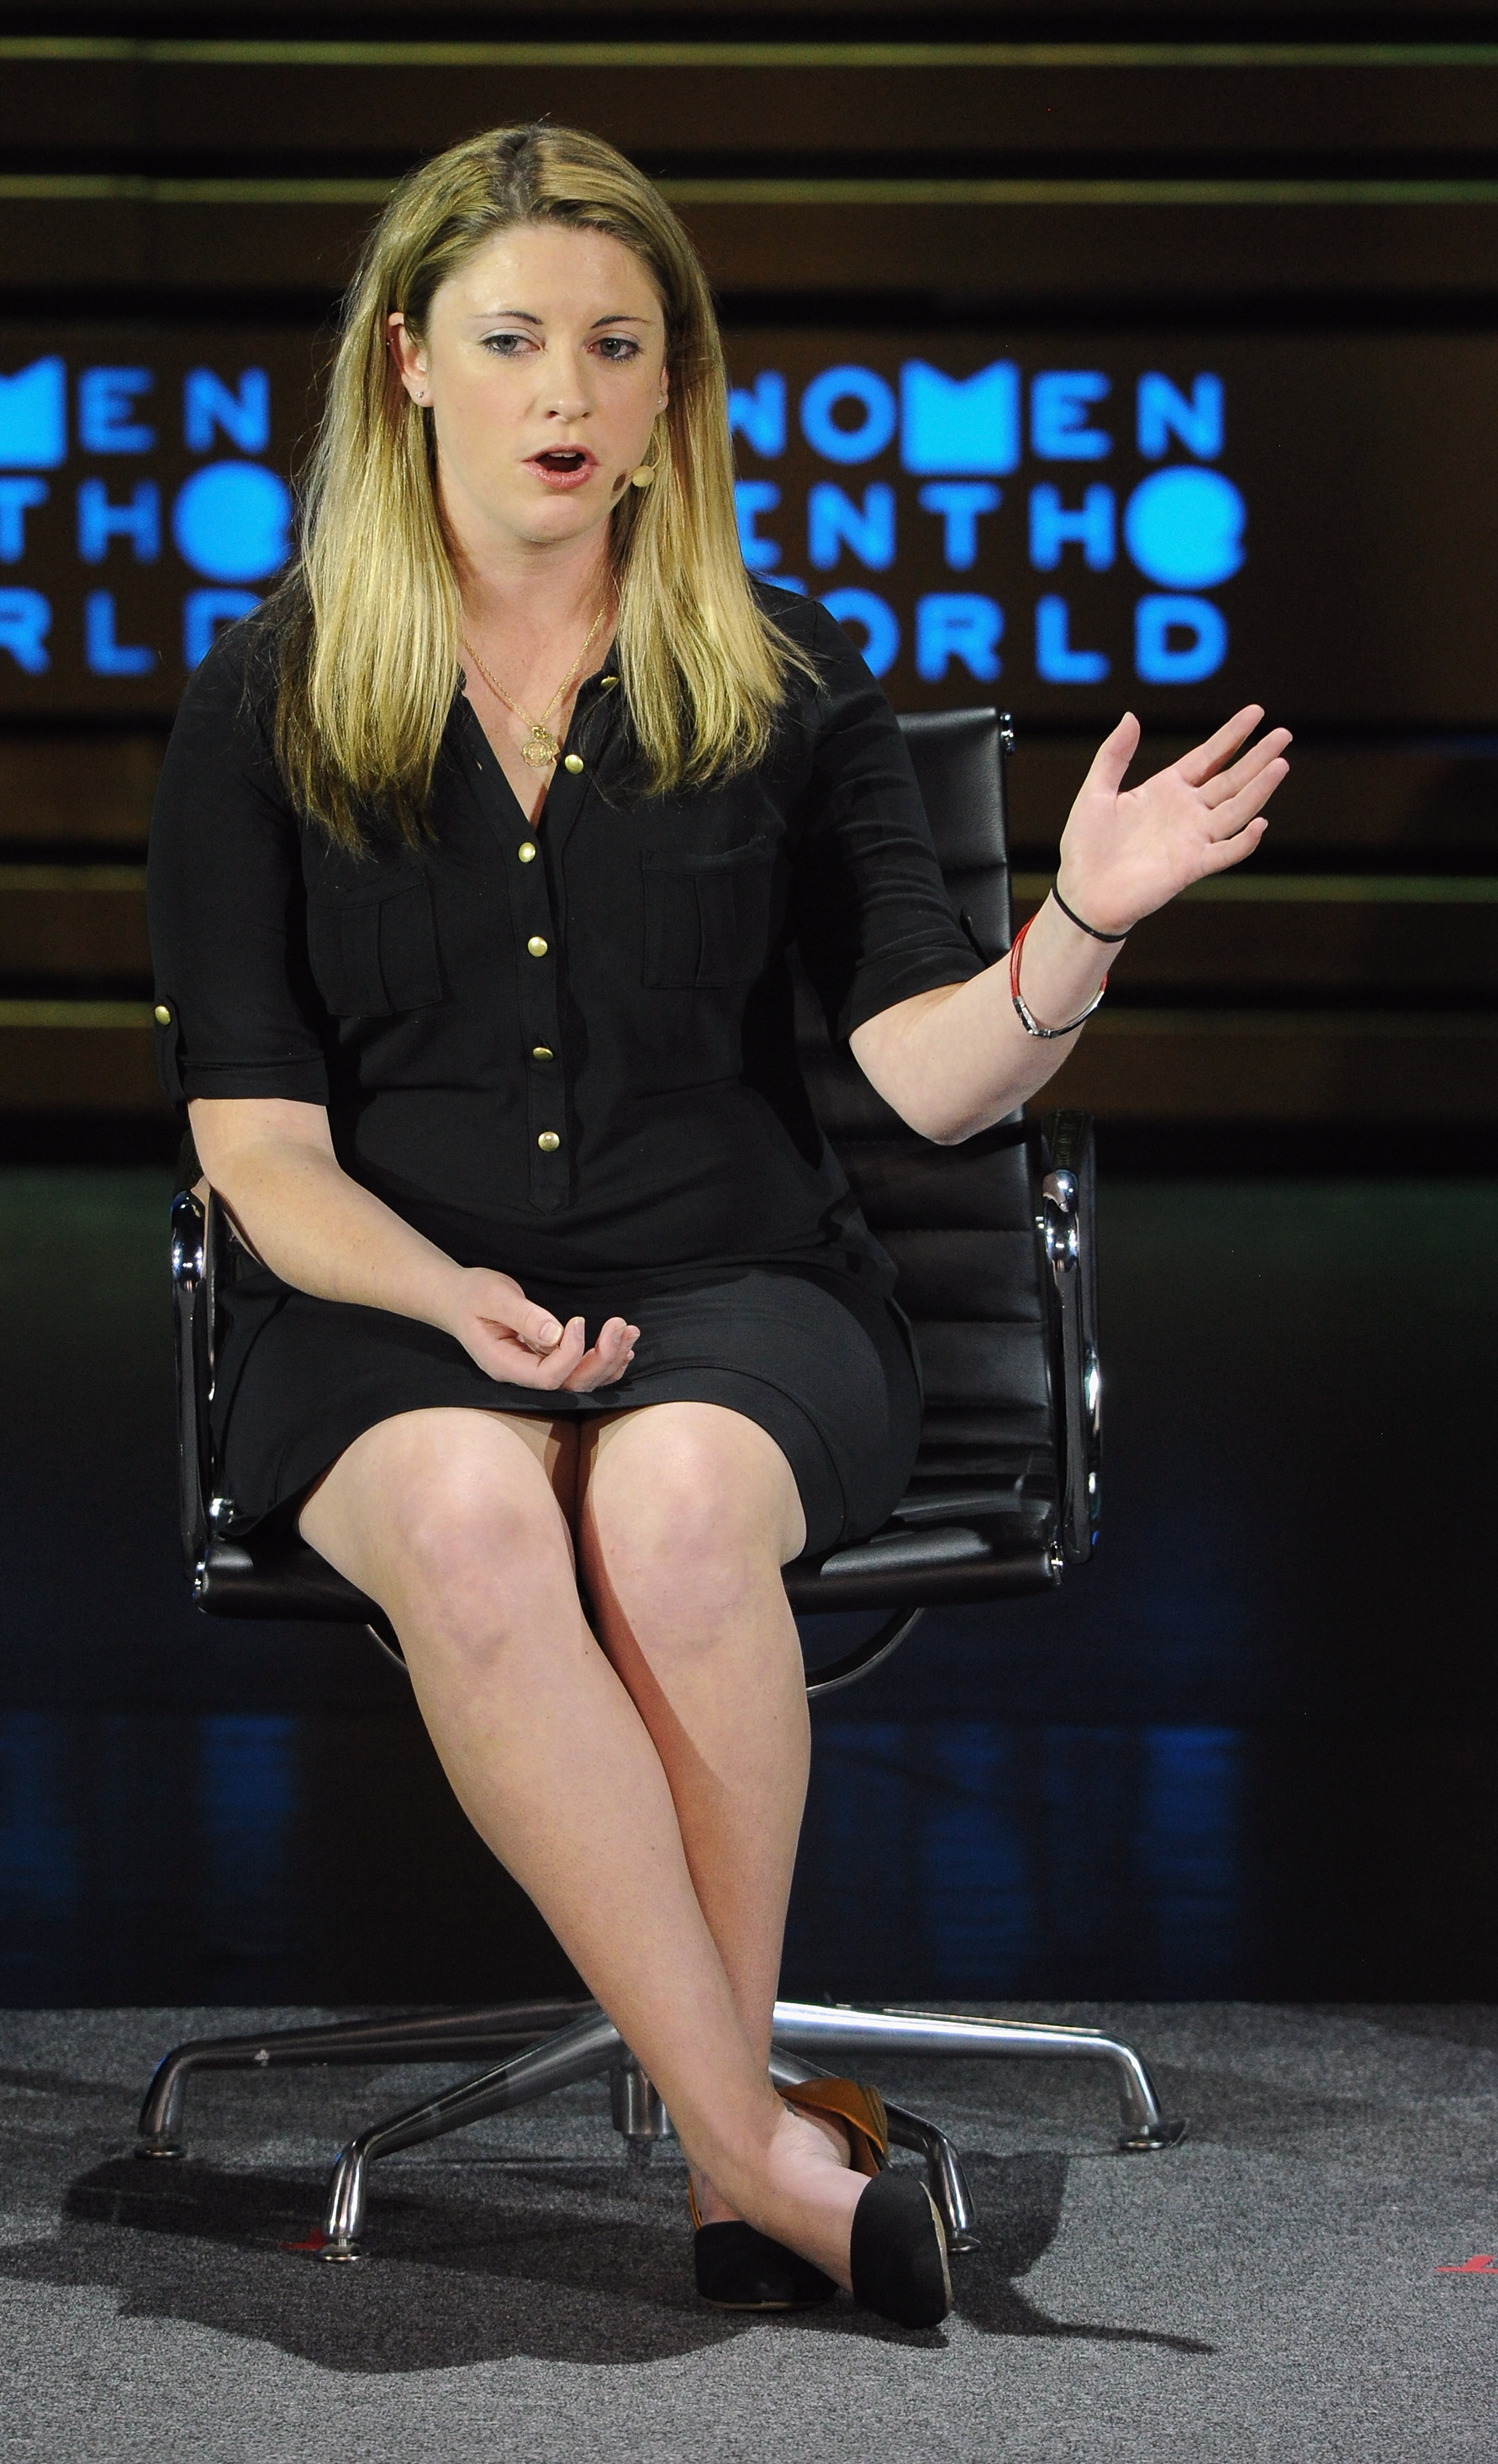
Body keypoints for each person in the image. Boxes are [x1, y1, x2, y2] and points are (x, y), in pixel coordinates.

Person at [147, 122, 1286, 2324]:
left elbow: (927, 1079)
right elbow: (261, 1153)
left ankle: (730, 2157)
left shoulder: (781, 680)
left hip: (744, 1300)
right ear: (407, 364)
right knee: (474, 1517)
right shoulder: (264, 701)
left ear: (675, 388)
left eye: (614, 345)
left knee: (669, 1510)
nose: (562, 393)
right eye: (510, 341)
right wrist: (451, 1296)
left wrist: (1077, 922)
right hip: (380, 1305)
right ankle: (760, 2151)